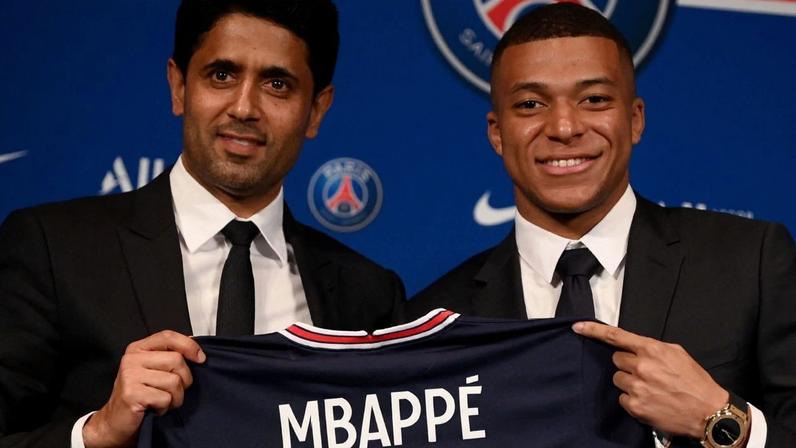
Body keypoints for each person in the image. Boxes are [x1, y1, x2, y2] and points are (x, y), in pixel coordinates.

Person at [0, 1, 404, 447]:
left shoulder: (368, 297)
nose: (244, 107)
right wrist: (96, 432)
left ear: (316, 110)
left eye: (276, 84)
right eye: (222, 75)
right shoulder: (55, 250)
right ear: (178, 86)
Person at [406, 4, 796, 447]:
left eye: (594, 99)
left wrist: (719, 418)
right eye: (531, 104)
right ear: (497, 132)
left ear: (634, 120)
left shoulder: (752, 261)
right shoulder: (436, 322)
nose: (565, 127)